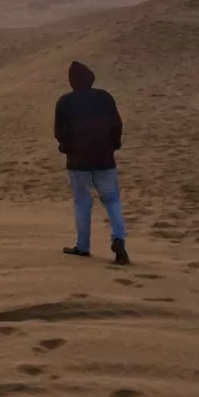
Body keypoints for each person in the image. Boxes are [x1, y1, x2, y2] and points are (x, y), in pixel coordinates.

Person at [54, 61, 129, 264]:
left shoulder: (65, 102)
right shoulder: (105, 97)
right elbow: (116, 124)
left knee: (82, 203)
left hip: (78, 162)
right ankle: (119, 239)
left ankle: (83, 246)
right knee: (112, 201)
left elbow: (59, 132)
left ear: (72, 81)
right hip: (105, 158)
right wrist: (113, 144)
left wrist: (66, 147)